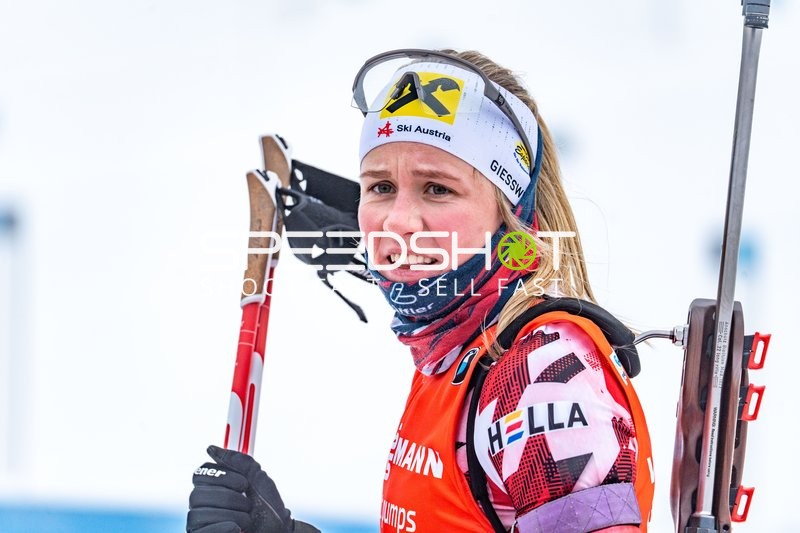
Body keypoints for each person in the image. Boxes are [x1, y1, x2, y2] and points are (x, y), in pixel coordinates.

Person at [186, 48, 654, 533]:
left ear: (511, 214)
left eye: (437, 188)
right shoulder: (459, 350)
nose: (397, 221)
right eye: (381, 187)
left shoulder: (540, 376)